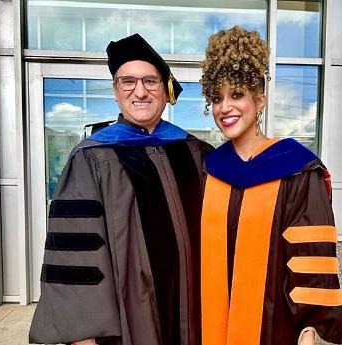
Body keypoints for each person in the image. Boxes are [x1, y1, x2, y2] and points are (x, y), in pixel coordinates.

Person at [29, 33, 212, 345]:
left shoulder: (197, 153)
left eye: (150, 81)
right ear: (116, 92)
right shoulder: (91, 157)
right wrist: (83, 334)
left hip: (197, 316)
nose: (140, 91)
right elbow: (77, 257)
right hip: (129, 321)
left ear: (165, 91)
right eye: (128, 82)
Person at [199, 26, 342, 345]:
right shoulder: (209, 170)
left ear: (260, 100)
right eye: (217, 98)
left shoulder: (295, 168)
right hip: (213, 325)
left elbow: (311, 254)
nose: (225, 107)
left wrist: (310, 328)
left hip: (274, 326)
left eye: (236, 94)